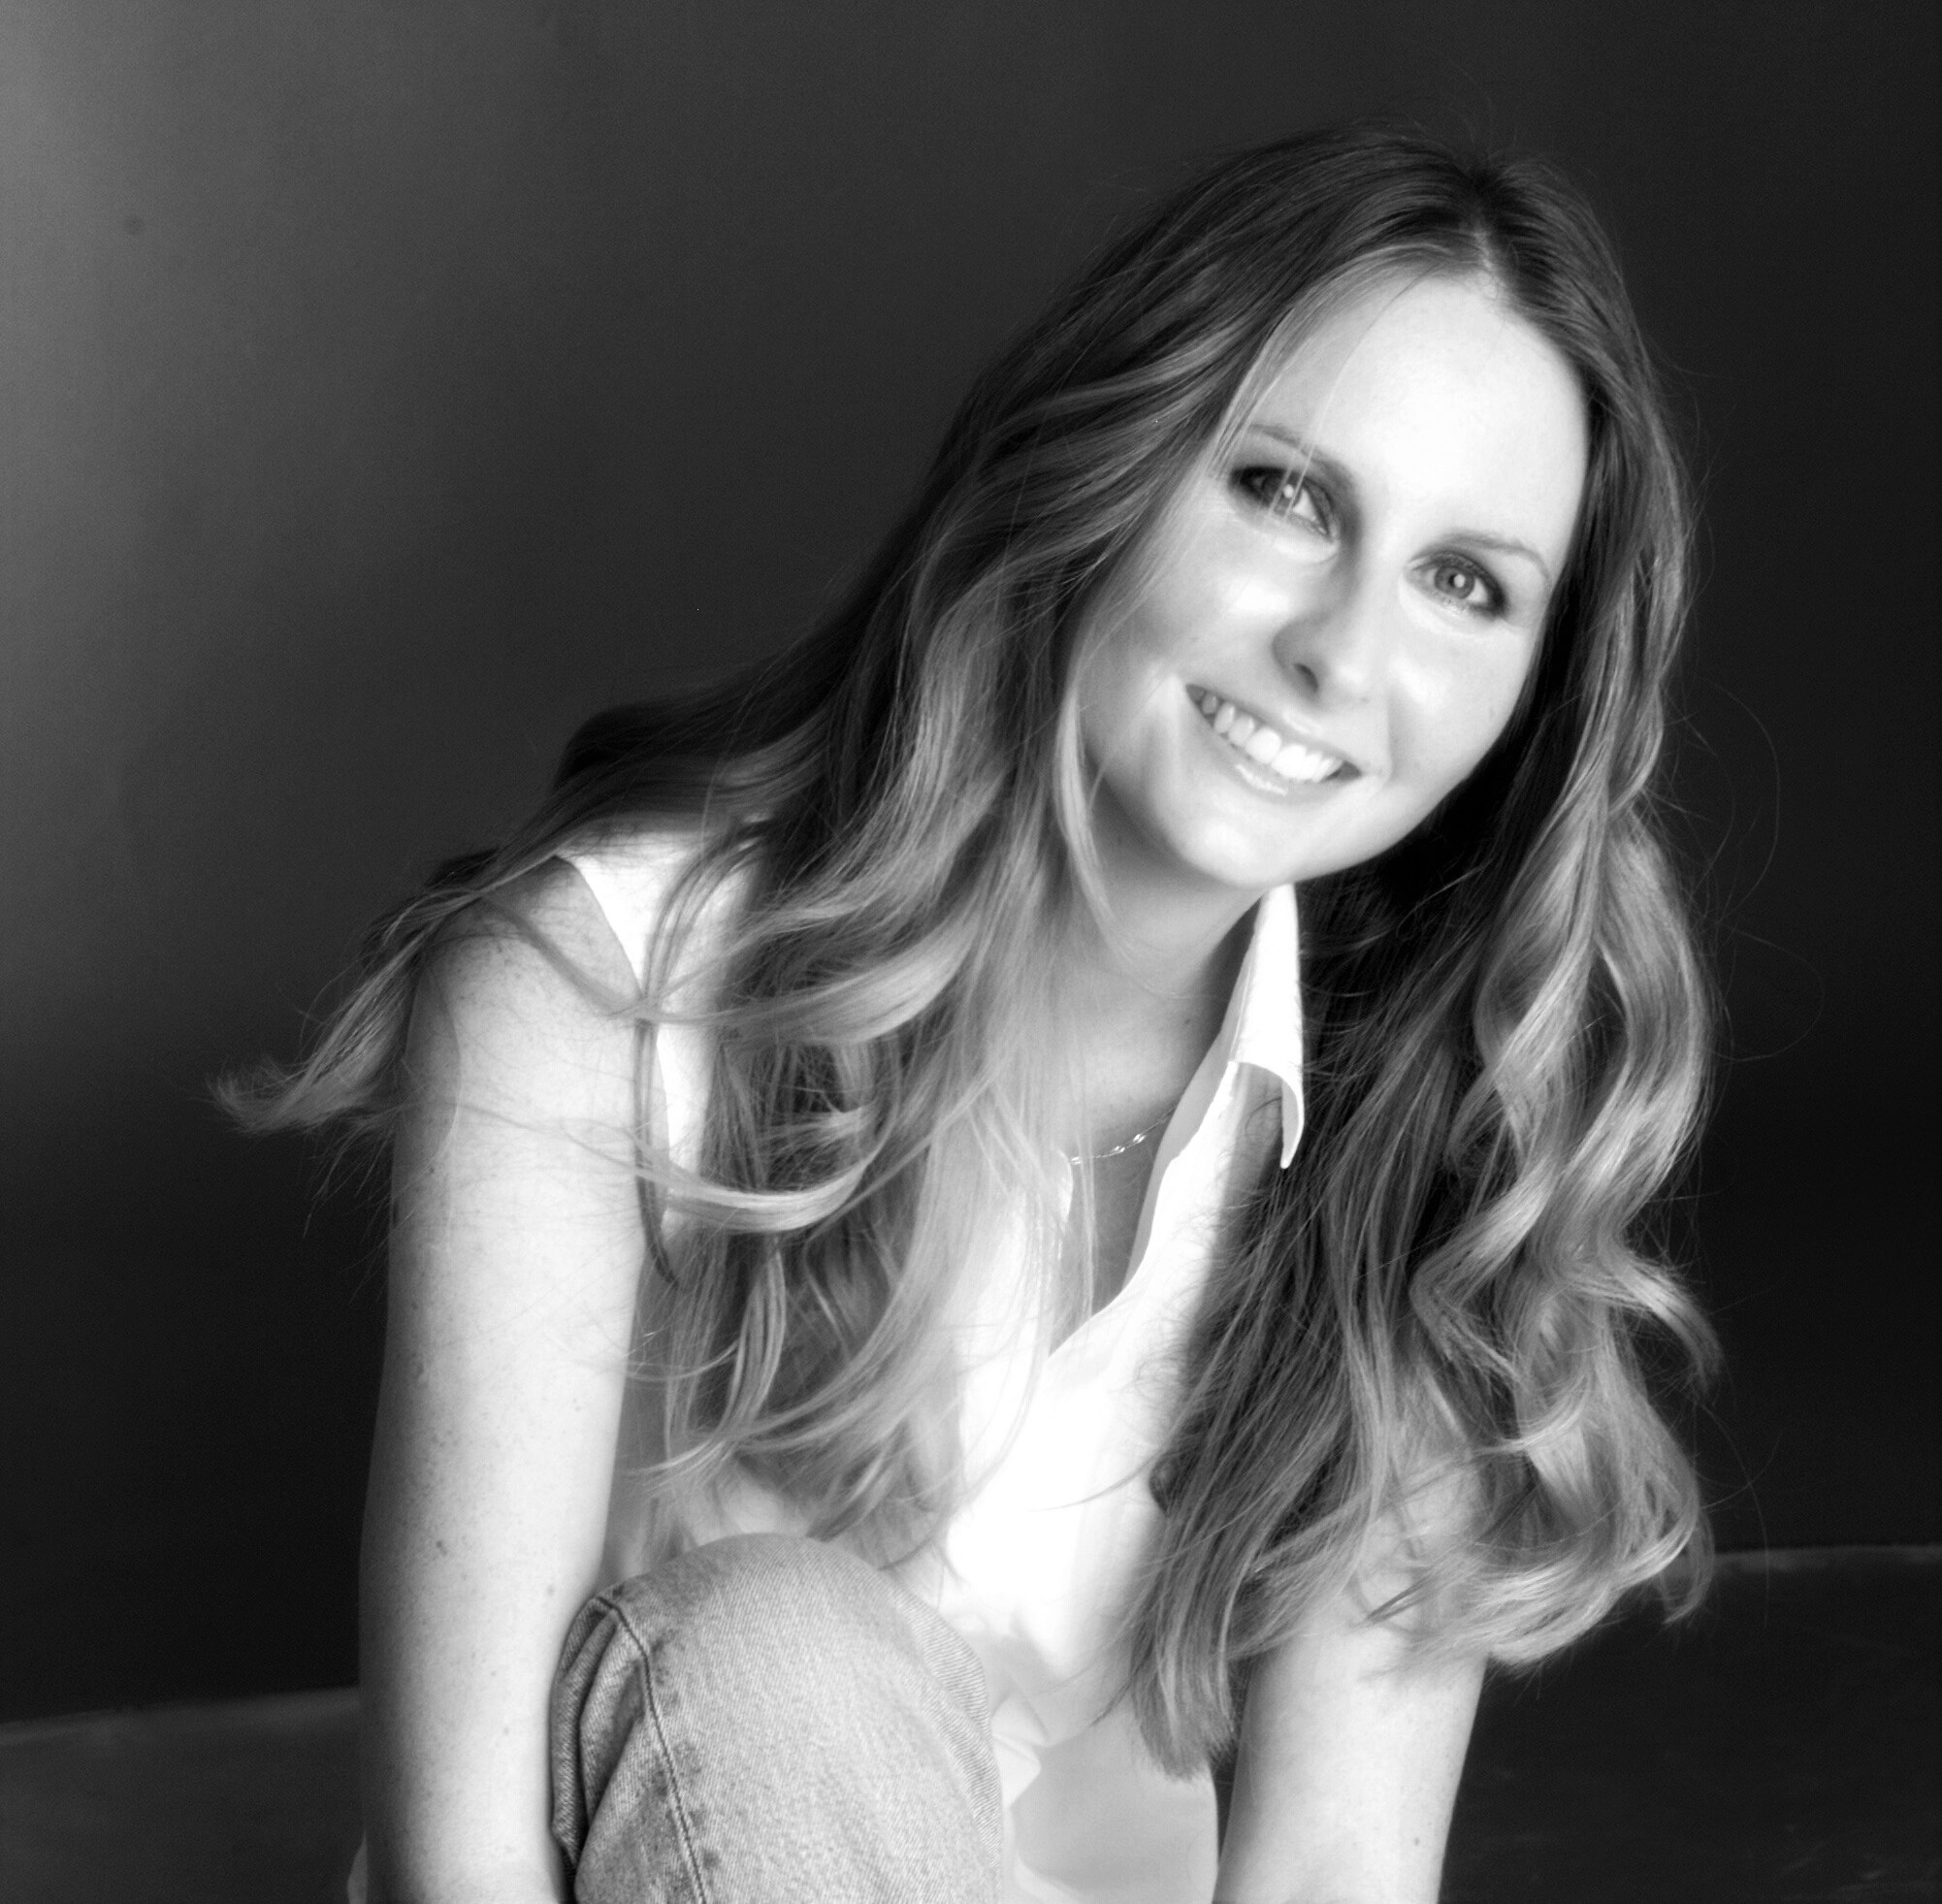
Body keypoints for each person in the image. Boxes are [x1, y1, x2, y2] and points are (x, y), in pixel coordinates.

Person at [237, 124, 1716, 1904]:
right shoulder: (593, 991)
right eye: (1284, 495)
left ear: (1530, 699)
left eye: (1463, 584)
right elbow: (457, 1871)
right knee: (782, 1654)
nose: (1341, 651)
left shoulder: (1434, 1129)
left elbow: (1333, 1872)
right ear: (1106, 459)